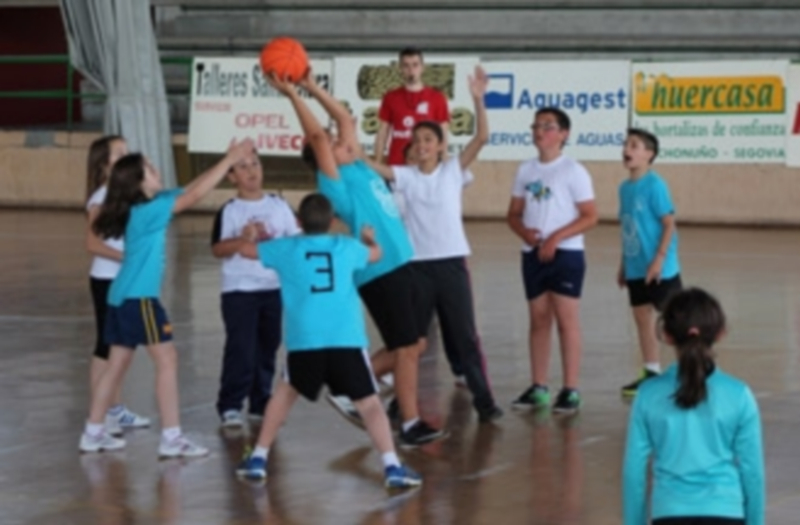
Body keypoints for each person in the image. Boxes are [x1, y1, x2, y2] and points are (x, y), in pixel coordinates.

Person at [267, 71, 446, 447]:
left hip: (401, 262)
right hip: (380, 270)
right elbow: (318, 136)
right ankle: (410, 425)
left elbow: (345, 119)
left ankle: (349, 388)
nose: (340, 139)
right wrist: (293, 95)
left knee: (415, 344)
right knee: (406, 348)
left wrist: (313, 85)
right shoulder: (334, 182)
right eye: (332, 144)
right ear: (323, 159)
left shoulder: (359, 166)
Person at [78, 139, 254, 457]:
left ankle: (92, 432)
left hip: (121, 296)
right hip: (140, 299)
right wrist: (229, 158)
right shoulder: (148, 211)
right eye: (149, 168)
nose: (156, 169)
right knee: (167, 360)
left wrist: (226, 161)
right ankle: (172, 438)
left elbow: (192, 188)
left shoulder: (149, 203)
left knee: (116, 365)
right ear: (137, 182)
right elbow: (196, 196)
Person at [235, 193, 422, 489]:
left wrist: (249, 235)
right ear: (333, 221)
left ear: (298, 222)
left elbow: (246, 251)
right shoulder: (347, 246)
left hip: (304, 342)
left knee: (283, 396)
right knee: (369, 404)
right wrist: (368, 239)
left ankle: (258, 458)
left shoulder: (286, 248)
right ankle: (392, 466)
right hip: (345, 340)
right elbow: (376, 255)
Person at [368, 66, 501, 423]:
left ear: (441, 144)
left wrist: (478, 99)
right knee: (411, 341)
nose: (423, 145)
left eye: (429, 140)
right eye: (418, 141)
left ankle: (484, 400)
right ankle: (400, 403)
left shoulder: (453, 171)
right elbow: (372, 168)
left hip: (451, 265)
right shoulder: (406, 176)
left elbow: (482, 138)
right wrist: (346, 148)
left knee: (464, 336)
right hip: (418, 269)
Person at [623, 288, 765, 525]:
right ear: (720, 333)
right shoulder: (739, 395)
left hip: (669, 514)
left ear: (666, 334)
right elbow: (753, 473)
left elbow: (634, 473)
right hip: (727, 514)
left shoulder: (647, 395)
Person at [507, 107, 598, 414]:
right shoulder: (525, 170)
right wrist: (526, 234)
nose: (539, 131)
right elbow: (513, 214)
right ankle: (539, 387)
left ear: (563, 134)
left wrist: (557, 238)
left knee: (566, 321)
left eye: (547, 126)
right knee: (538, 320)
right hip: (532, 255)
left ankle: (570, 389)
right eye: (536, 125)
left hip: (566, 255)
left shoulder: (574, 171)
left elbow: (590, 216)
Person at [210, 150, 301, 427]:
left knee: (268, 345)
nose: (251, 171)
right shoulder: (230, 210)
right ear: (232, 176)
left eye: (255, 165)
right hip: (240, 290)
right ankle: (230, 405)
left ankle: (260, 401)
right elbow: (218, 249)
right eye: (243, 167)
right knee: (241, 347)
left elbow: (295, 241)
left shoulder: (278, 205)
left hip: (273, 288)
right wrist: (242, 239)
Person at [84, 135, 150, 434]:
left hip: (121, 280)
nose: (126, 156)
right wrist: (126, 256)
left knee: (119, 347)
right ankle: (103, 414)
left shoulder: (119, 195)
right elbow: (92, 242)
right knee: (106, 347)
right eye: (118, 153)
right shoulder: (100, 198)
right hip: (106, 280)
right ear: (104, 165)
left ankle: (115, 409)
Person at [618, 128, 682, 397]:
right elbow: (627, 228)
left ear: (649, 154)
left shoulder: (655, 186)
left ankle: (690, 371)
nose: (627, 150)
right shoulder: (624, 188)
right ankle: (651, 371)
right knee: (642, 318)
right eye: (626, 145)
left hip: (661, 269)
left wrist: (659, 260)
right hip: (636, 267)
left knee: (676, 321)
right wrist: (623, 264)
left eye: (635, 145)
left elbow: (669, 224)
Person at [374, 47, 449, 166]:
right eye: (406, 66)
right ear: (400, 68)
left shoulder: (437, 98)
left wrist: (444, 163)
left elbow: (443, 134)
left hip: (426, 166)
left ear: (422, 67)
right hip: (397, 165)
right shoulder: (390, 97)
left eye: (415, 65)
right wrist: (377, 163)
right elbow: (383, 132)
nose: (411, 70)